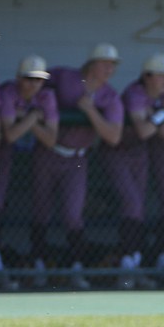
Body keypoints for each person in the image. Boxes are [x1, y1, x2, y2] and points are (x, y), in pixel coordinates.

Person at [42, 43, 123, 289]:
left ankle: (77, 268)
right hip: (47, 153)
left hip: (77, 158)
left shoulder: (109, 96)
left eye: (113, 65)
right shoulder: (66, 78)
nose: (109, 69)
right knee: (40, 212)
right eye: (105, 63)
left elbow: (113, 136)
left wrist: (90, 111)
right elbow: (34, 84)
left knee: (73, 214)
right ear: (91, 63)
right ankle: (37, 268)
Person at [106, 53, 164, 290]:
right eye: (161, 77)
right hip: (118, 152)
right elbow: (143, 131)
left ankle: (134, 266)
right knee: (132, 205)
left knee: (138, 209)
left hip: (140, 155)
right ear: (147, 77)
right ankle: (127, 269)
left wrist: (160, 117)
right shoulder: (135, 92)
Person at [0, 55, 58, 290]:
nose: (34, 85)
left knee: (41, 205)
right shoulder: (8, 92)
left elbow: (51, 139)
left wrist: (25, 121)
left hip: (35, 158)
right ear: (19, 78)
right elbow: (9, 135)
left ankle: (36, 262)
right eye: (29, 79)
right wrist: (32, 117)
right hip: (1, 153)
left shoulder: (47, 96)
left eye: (39, 80)